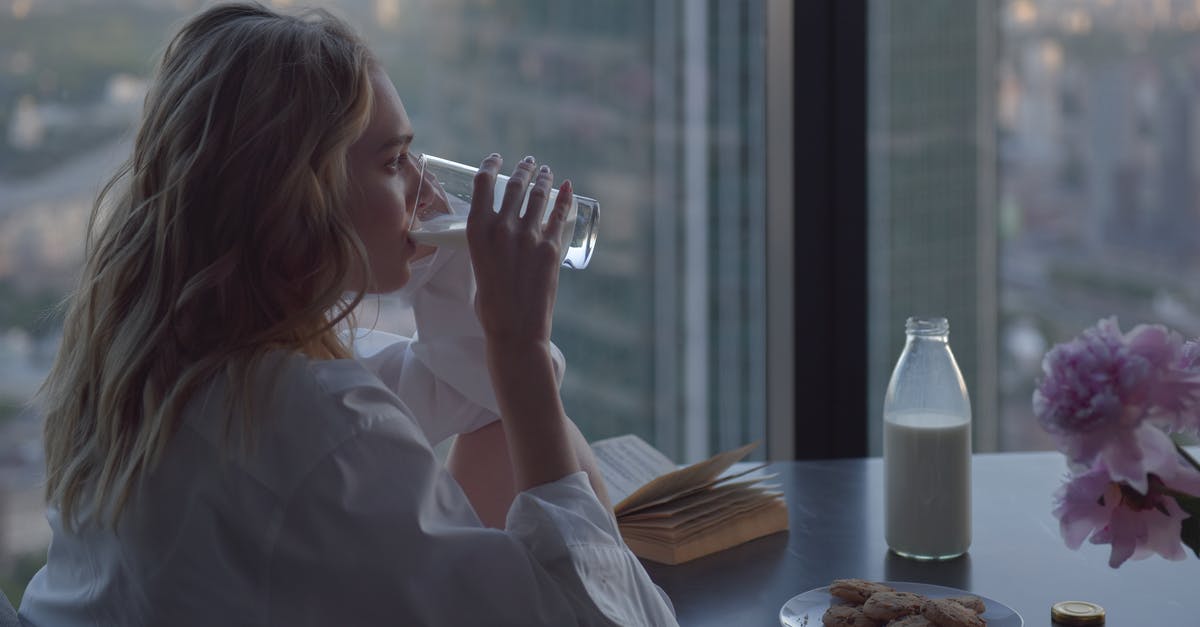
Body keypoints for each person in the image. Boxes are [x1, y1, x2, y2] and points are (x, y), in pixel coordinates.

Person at [17, 3, 678, 626]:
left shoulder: (180, 363)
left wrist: (456, 284)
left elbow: (472, 398)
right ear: (297, 198)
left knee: (508, 418)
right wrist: (522, 345)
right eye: (394, 163)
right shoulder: (319, 431)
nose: (425, 189)